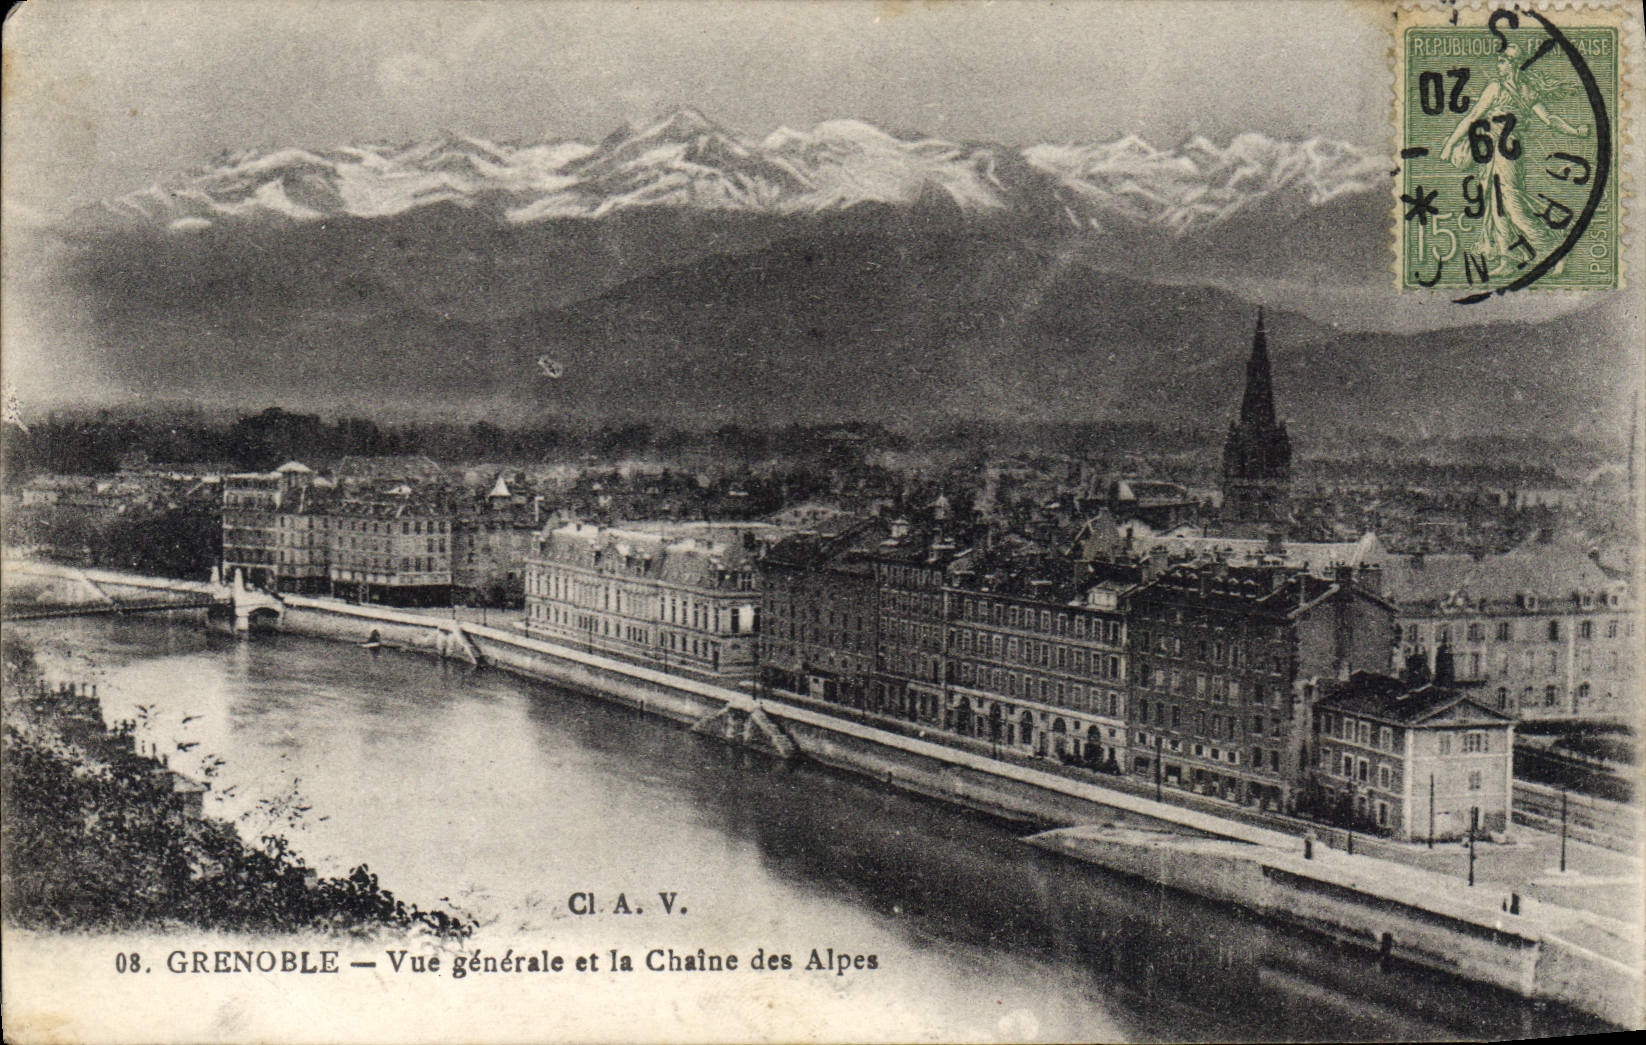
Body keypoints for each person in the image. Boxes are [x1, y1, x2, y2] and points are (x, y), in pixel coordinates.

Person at [1439, 44, 1590, 275]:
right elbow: (1473, 117)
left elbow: (1549, 119)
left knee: (1511, 204)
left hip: (1509, 152)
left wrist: (1575, 131)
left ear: (1513, 64)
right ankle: (1508, 259)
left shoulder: (1520, 91)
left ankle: (1553, 249)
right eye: (1499, 61)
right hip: (1492, 153)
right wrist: (1450, 143)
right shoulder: (1498, 88)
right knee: (1495, 204)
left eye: (1503, 61)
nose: (1499, 65)